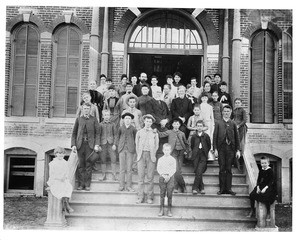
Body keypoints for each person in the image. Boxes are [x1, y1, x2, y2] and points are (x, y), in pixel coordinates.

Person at [71, 102, 100, 191]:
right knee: (80, 165)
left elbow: (98, 133)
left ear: (90, 110)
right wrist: (73, 145)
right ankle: (80, 184)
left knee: (88, 165)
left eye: (88, 109)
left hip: (90, 145)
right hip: (80, 145)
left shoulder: (94, 119)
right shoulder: (79, 119)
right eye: (84, 109)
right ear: (82, 110)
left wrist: (96, 144)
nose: (86, 110)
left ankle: (87, 184)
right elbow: (74, 133)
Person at [213, 105, 241, 195]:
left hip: (230, 149)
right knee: (222, 168)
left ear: (230, 112)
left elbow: (237, 138)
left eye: (228, 112)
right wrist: (215, 149)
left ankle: (228, 189)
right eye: (225, 111)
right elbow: (215, 137)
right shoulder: (218, 123)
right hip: (221, 148)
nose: (226, 113)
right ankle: (221, 189)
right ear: (222, 112)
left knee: (228, 169)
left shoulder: (233, 123)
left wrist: (238, 150)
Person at [156, 118, 189, 193]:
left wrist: (186, 150)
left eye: (177, 124)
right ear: (172, 125)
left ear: (180, 125)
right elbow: (161, 135)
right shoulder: (169, 132)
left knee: (179, 169)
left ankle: (178, 186)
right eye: (174, 124)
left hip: (181, 152)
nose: (176, 125)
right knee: (176, 169)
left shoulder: (182, 133)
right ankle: (181, 186)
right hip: (173, 151)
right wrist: (156, 130)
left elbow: (186, 142)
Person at [135, 114, 159, 204]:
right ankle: (140, 197)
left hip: (151, 155)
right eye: (147, 121)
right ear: (144, 121)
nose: (148, 123)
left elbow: (156, 145)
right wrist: (139, 154)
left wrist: (153, 153)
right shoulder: (139, 132)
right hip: (141, 155)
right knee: (141, 178)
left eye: (150, 121)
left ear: (152, 123)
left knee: (150, 178)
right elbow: (136, 144)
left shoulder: (154, 133)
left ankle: (149, 197)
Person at [47, 146, 74, 213]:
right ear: (56, 154)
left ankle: (65, 204)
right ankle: (66, 205)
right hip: (55, 180)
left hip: (63, 180)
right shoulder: (52, 163)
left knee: (68, 186)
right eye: (59, 153)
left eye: (62, 153)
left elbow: (67, 173)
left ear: (64, 154)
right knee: (60, 187)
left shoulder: (65, 163)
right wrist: (59, 178)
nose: (60, 155)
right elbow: (52, 175)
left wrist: (64, 177)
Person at [117, 112, 137, 192]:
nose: (127, 120)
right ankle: (121, 186)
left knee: (129, 169)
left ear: (131, 120)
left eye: (129, 118)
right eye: (126, 118)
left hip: (130, 150)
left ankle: (129, 186)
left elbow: (136, 139)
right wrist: (117, 146)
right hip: (122, 149)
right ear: (123, 120)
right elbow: (117, 137)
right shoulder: (120, 128)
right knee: (122, 169)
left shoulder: (133, 129)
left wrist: (134, 147)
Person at [190, 120, 211, 195]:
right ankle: (201, 188)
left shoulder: (206, 136)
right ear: (196, 127)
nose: (199, 128)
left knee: (199, 170)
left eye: (201, 126)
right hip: (196, 154)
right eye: (198, 126)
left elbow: (209, 145)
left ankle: (194, 188)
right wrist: (195, 151)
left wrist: (205, 151)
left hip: (203, 154)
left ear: (203, 127)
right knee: (198, 171)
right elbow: (192, 146)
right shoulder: (194, 136)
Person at [157, 143, 177, 217]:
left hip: (170, 178)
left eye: (168, 150)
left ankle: (169, 209)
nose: (166, 151)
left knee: (169, 194)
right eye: (165, 150)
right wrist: (163, 175)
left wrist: (169, 176)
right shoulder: (160, 159)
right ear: (163, 150)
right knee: (162, 194)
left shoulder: (172, 159)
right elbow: (158, 168)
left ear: (170, 151)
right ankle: (161, 209)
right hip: (162, 177)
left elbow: (174, 169)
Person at [98, 110, 118, 181]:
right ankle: (103, 175)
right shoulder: (100, 125)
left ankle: (114, 175)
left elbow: (115, 135)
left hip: (111, 144)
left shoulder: (113, 124)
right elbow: (98, 135)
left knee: (113, 158)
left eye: (108, 115)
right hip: (102, 144)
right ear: (103, 116)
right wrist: (98, 145)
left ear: (110, 116)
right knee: (103, 159)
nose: (107, 116)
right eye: (105, 115)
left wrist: (115, 144)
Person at [232, 98, 248, 171]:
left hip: (241, 128)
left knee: (240, 143)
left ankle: (239, 161)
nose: (237, 104)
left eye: (238, 103)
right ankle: (235, 161)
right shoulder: (234, 111)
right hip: (234, 127)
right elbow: (232, 118)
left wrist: (239, 125)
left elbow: (244, 120)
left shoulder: (243, 111)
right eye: (236, 103)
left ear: (241, 103)